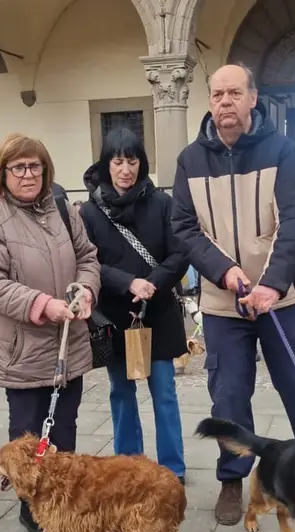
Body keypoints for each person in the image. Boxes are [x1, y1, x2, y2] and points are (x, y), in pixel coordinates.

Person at [170, 63, 295, 526]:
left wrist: (271, 282)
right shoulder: (190, 160)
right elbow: (184, 228)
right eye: (218, 94)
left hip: (280, 300)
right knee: (229, 396)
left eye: (235, 93)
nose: (226, 102)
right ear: (209, 101)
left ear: (252, 98)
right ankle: (232, 479)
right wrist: (226, 272)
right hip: (224, 304)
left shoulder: (281, 150)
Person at [0, 133, 101, 532]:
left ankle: (65, 502)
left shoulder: (62, 208)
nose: (27, 175)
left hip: (68, 343)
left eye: (35, 166)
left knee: (64, 428)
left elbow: (87, 256)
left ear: (46, 170)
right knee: (28, 436)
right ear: (3, 173)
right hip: (22, 348)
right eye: (18, 167)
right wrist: (41, 304)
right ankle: (33, 507)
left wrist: (86, 288)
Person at [78, 127, 189, 482]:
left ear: (141, 164)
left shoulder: (162, 204)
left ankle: (173, 469)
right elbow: (89, 262)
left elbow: (179, 253)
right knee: (121, 394)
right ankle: (128, 466)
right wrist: (128, 282)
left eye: (132, 161)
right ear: (106, 164)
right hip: (116, 316)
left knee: (165, 394)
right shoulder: (90, 213)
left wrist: (153, 283)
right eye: (118, 161)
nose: (125, 169)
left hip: (159, 313)